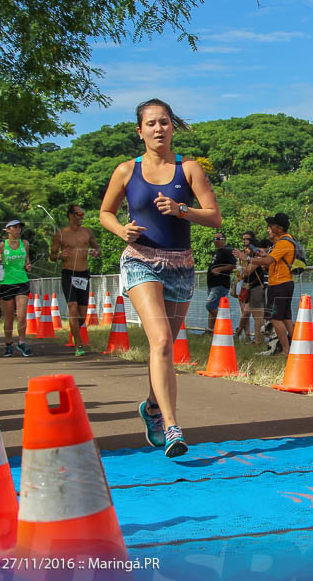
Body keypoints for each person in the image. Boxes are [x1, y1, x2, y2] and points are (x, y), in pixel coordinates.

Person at [99, 98, 222, 459]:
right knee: (162, 341)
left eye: (164, 123)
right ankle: (172, 427)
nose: (158, 129)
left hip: (180, 264)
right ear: (140, 131)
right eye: (151, 124)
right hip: (141, 260)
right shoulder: (125, 171)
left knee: (165, 349)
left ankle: (152, 406)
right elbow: (105, 212)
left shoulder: (190, 169)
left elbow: (214, 217)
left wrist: (182, 210)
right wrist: (121, 230)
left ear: (172, 127)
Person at [50, 203, 100, 356]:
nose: (82, 217)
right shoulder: (61, 234)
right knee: (72, 307)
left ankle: (75, 330)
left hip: (83, 274)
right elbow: (52, 256)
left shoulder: (88, 232)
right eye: (79, 215)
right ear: (71, 216)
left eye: (82, 215)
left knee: (82, 314)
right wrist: (59, 255)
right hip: (68, 274)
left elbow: (97, 248)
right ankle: (79, 344)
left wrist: (95, 252)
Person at [247, 213, 297, 356]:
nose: (268, 229)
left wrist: (249, 259)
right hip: (285, 283)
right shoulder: (286, 241)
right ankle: (297, 346)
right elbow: (271, 260)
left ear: (279, 228)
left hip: (280, 284)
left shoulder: (283, 243)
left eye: (271, 226)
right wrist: (263, 256)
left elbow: (268, 262)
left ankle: (287, 350)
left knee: (275, 319)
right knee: (286, 318)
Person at [0, 220, 34, 357]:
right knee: (9, 317)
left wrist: (28, 266)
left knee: (22, 316)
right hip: (6, 283)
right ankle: (8, 343)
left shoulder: (25, 244)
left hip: (22, 282)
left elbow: (27, 261)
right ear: (7, 230)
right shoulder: (1, 245)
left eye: (19, 227)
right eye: (15, 227)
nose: (18, 230)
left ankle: (22, 342)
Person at [233, 232, 267, 344]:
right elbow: (243, 272)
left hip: (257, 287)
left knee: (258, 316)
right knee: (254, 314)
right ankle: (256, 339)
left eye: (247, 247)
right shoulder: (252, 258)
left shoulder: (257, 257)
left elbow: (247, 271)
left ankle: (258, 340)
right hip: (251, 287)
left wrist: (243, 258)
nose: (245, 249)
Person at [205, 232, 236, 331]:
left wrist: (219, 269)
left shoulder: (227, 250)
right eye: (214, 239)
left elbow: (233, 265)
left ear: (224, 240)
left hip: (220, 284)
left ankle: (224, 327)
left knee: (210, 305)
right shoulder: (218, 251)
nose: (215, 241)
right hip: (212, 284)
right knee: (212, 307)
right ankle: (210, 330)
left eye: (218, 239)